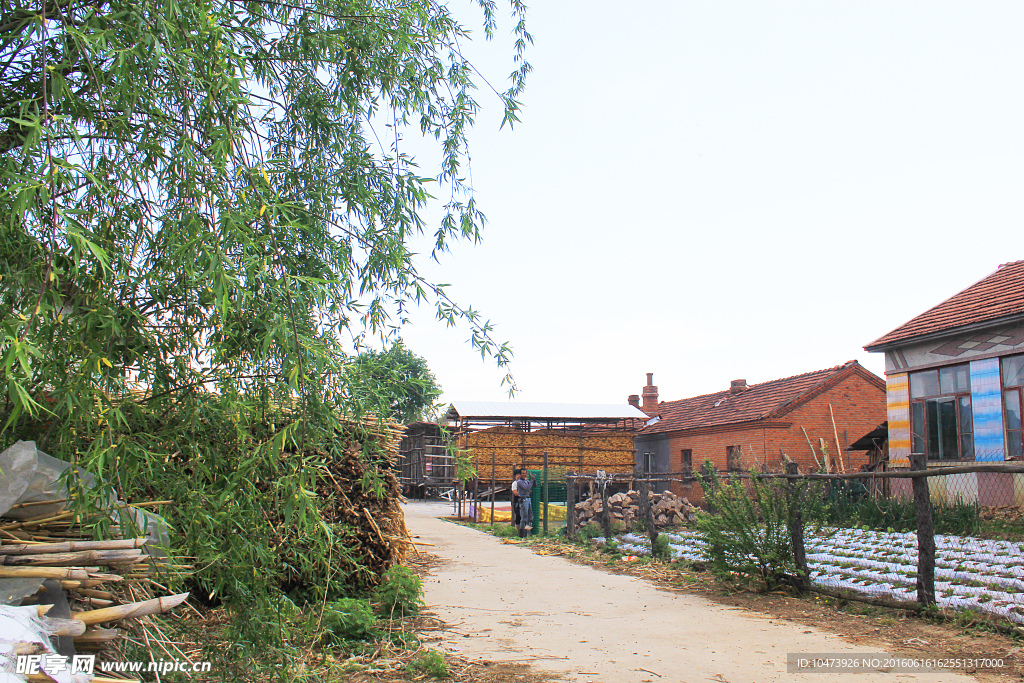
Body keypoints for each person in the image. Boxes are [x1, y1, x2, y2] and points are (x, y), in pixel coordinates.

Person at [515, 470, 535, 539]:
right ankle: (522, 533)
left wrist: (534, 480)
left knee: (530, 517)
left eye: (525, 473)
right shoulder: (519, 482)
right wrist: (531, 481)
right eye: (523, 473)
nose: (524, 475)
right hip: (523, 500)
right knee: (524, 517)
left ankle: (528, 532)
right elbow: (527, 488)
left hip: (528, 499)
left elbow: (534, 485)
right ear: (520, 474)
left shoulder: (526, 481)